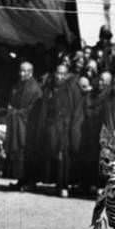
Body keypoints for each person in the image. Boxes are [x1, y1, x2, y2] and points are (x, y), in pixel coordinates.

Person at [39, 63, 84, 197]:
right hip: (53, 127)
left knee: (63, 156)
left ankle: (64, 185)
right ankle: (56, 183)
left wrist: (73, 128)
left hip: (66, 127)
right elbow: (45, 108)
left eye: (63, 74)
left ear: (67, 75)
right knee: (54, 154)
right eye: (58, 73)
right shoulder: (50, 88)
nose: (60, 77)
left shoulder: (72, 89)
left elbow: (77, 110)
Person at [5, 61, 42, 190]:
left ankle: (30, 182)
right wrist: (11, 110)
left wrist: (16, 113)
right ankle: (21, 180)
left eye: (25, 71)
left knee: (27, 153)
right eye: (20, 70)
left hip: (28, 127)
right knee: (19, 154)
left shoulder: (34, 88)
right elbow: (11, 103)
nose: (22, 73)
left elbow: (33, 109)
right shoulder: (17, 86)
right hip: (18, 124)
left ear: (31, 72)